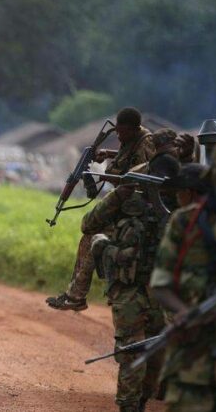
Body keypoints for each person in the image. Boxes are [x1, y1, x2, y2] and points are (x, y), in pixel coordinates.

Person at [86, 154, 180, 411]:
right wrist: (118, 195)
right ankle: (129, 406)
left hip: (162, 295)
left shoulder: (183, 210)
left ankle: (140, 400)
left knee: (157, 357)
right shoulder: (127, 200)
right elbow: (89, 224)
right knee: (131, 354)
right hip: (129, 291)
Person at [47, 108, 157, 311]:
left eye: (122, 132)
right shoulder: (132, 140)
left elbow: (144, 172)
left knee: (92, 235)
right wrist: (109, 154)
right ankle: (75, 294)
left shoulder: (147, 143)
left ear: (134, 129)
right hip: (123, 204)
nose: (118, 136)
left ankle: (76, 295)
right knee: (87, 236)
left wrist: (112, 177)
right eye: (117, 131)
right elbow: (129, 158)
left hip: (136, 208)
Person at [151, 143, 216, 411]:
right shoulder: (185, 222)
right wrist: (183, 312)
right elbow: (160, 284)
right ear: (212, 173)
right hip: (191, 362)